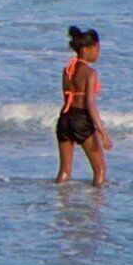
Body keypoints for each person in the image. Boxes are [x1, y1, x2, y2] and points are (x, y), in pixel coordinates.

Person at [56, 27, 110, 186]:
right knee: (99, 170)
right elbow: (90, 105)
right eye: (97, 49)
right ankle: (97, 206)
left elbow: (66, 97)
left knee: (64, 171)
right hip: (81, 120)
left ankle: (60, 203)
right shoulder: (90, 73)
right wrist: (103, 133)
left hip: (64, 118)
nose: (98, 53)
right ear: (85, 50)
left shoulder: (67, 70)